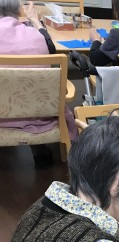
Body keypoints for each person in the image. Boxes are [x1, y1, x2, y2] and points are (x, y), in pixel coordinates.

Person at [0, 0, 77, 168]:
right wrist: (35, 21)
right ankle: (38, 149)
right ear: (18, 9)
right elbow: (51, 48)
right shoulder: (37, 36)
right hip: (39, 116)